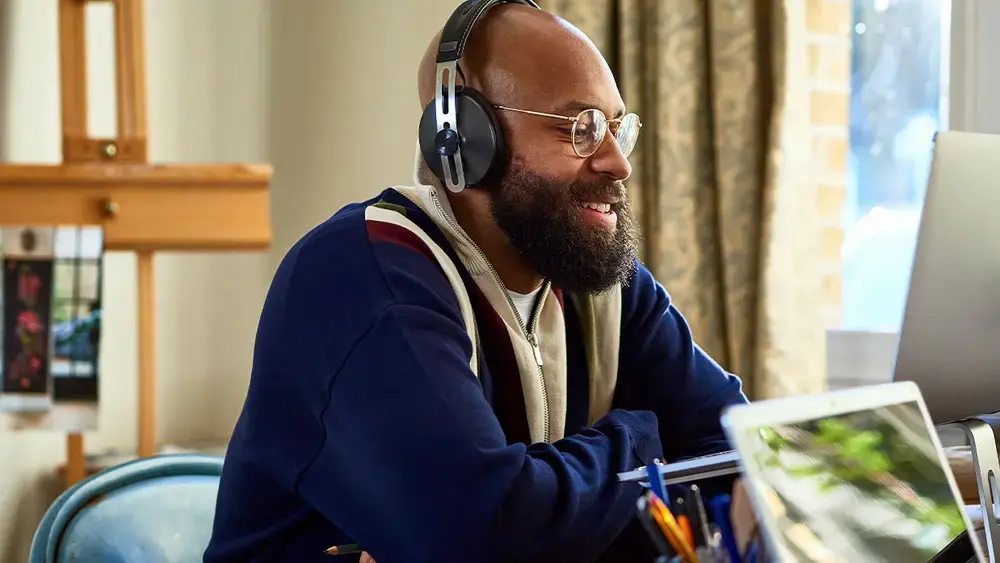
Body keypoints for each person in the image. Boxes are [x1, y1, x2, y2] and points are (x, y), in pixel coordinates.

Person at [204, 2, 750, 562]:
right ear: (463, 137)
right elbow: (488, 532)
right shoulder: (364, 276)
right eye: (581, 128)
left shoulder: (601, 283)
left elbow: (742, 455)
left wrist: (575, 502)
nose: (617, 162)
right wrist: (637, 437)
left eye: (617, 128)